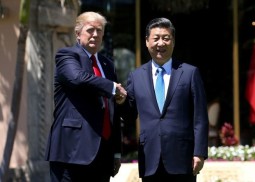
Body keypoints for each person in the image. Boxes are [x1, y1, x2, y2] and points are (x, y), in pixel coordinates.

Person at [116, 17, 209, 182]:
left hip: (182, 158)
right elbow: (130, 115)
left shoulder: (189, 73)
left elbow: (200, 118)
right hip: (150, 158)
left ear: (173, 41)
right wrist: (121, 101)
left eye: (166, 38)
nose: (161, 43)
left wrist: (199, 152)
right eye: (156, 38)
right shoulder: (136, 76)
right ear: (146, 41)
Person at [44, 11, 127, 182]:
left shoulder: (107, 64)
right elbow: (78, 78)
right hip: (71, 151)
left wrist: (116, 151)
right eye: (90, 30)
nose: (95, 34)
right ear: (77, 32)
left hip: (103, 154)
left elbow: (112, 111)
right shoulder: (67, 55)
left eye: (100, 30)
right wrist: (113, 87)